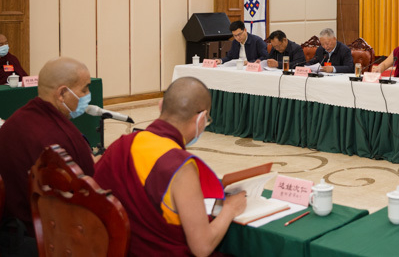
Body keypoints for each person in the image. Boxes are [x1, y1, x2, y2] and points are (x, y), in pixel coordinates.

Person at [94, 77, 247, 257]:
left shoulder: (121, 145)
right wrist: (230, 209)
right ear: (201, 119)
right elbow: (202, 248)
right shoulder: (180, 166)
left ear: (160, 106)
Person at [0, 57, 95, 235]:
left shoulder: (15, 120)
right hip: (46, 237)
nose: (88, 94)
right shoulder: (63, 139)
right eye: (84, 89)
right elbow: (89, 197)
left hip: (10, 228)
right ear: (62, 94)